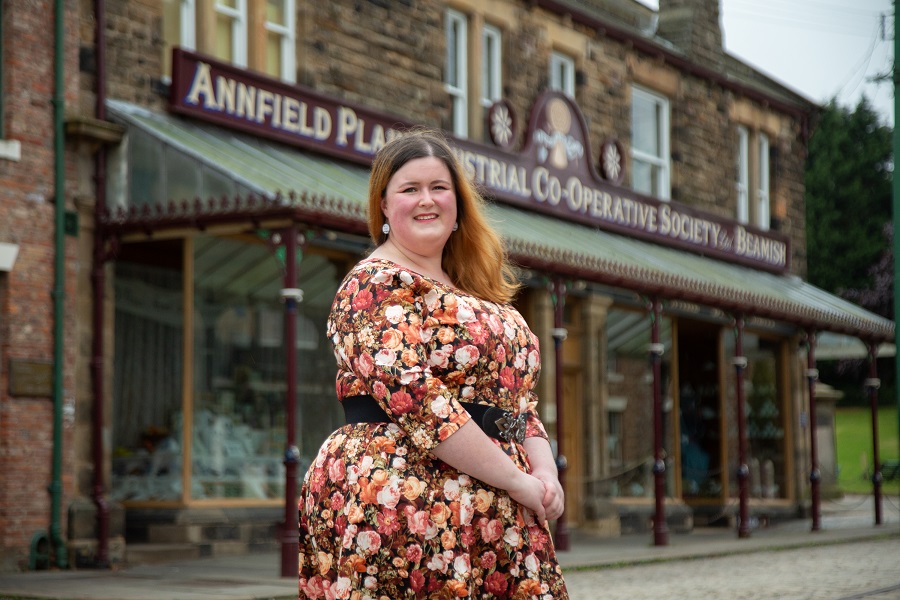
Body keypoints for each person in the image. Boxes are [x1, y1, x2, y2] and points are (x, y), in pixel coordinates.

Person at [298, 128, 569, 599]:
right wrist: (516, 480)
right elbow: (418, 399)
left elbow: (518, 400)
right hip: (404, 500)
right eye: (410, 189)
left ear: (458, 203)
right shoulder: (374, 284)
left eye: (439, 188)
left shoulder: (476, 291)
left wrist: (544, 475)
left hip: (502, 504)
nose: (427, 200)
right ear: (384, 206)